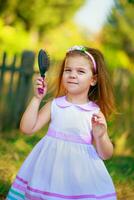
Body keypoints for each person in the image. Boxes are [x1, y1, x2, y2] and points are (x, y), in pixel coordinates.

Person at [7, 45, 117, 200]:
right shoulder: (55, 105)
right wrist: (36, 99)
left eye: (80, 71)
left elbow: (106, 154)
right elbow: (27, 128)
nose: (72, 75)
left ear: (93, 80)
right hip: (49, 170)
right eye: (68, 70)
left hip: (79, 177)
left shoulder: (94, 113)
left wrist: (101, 136)